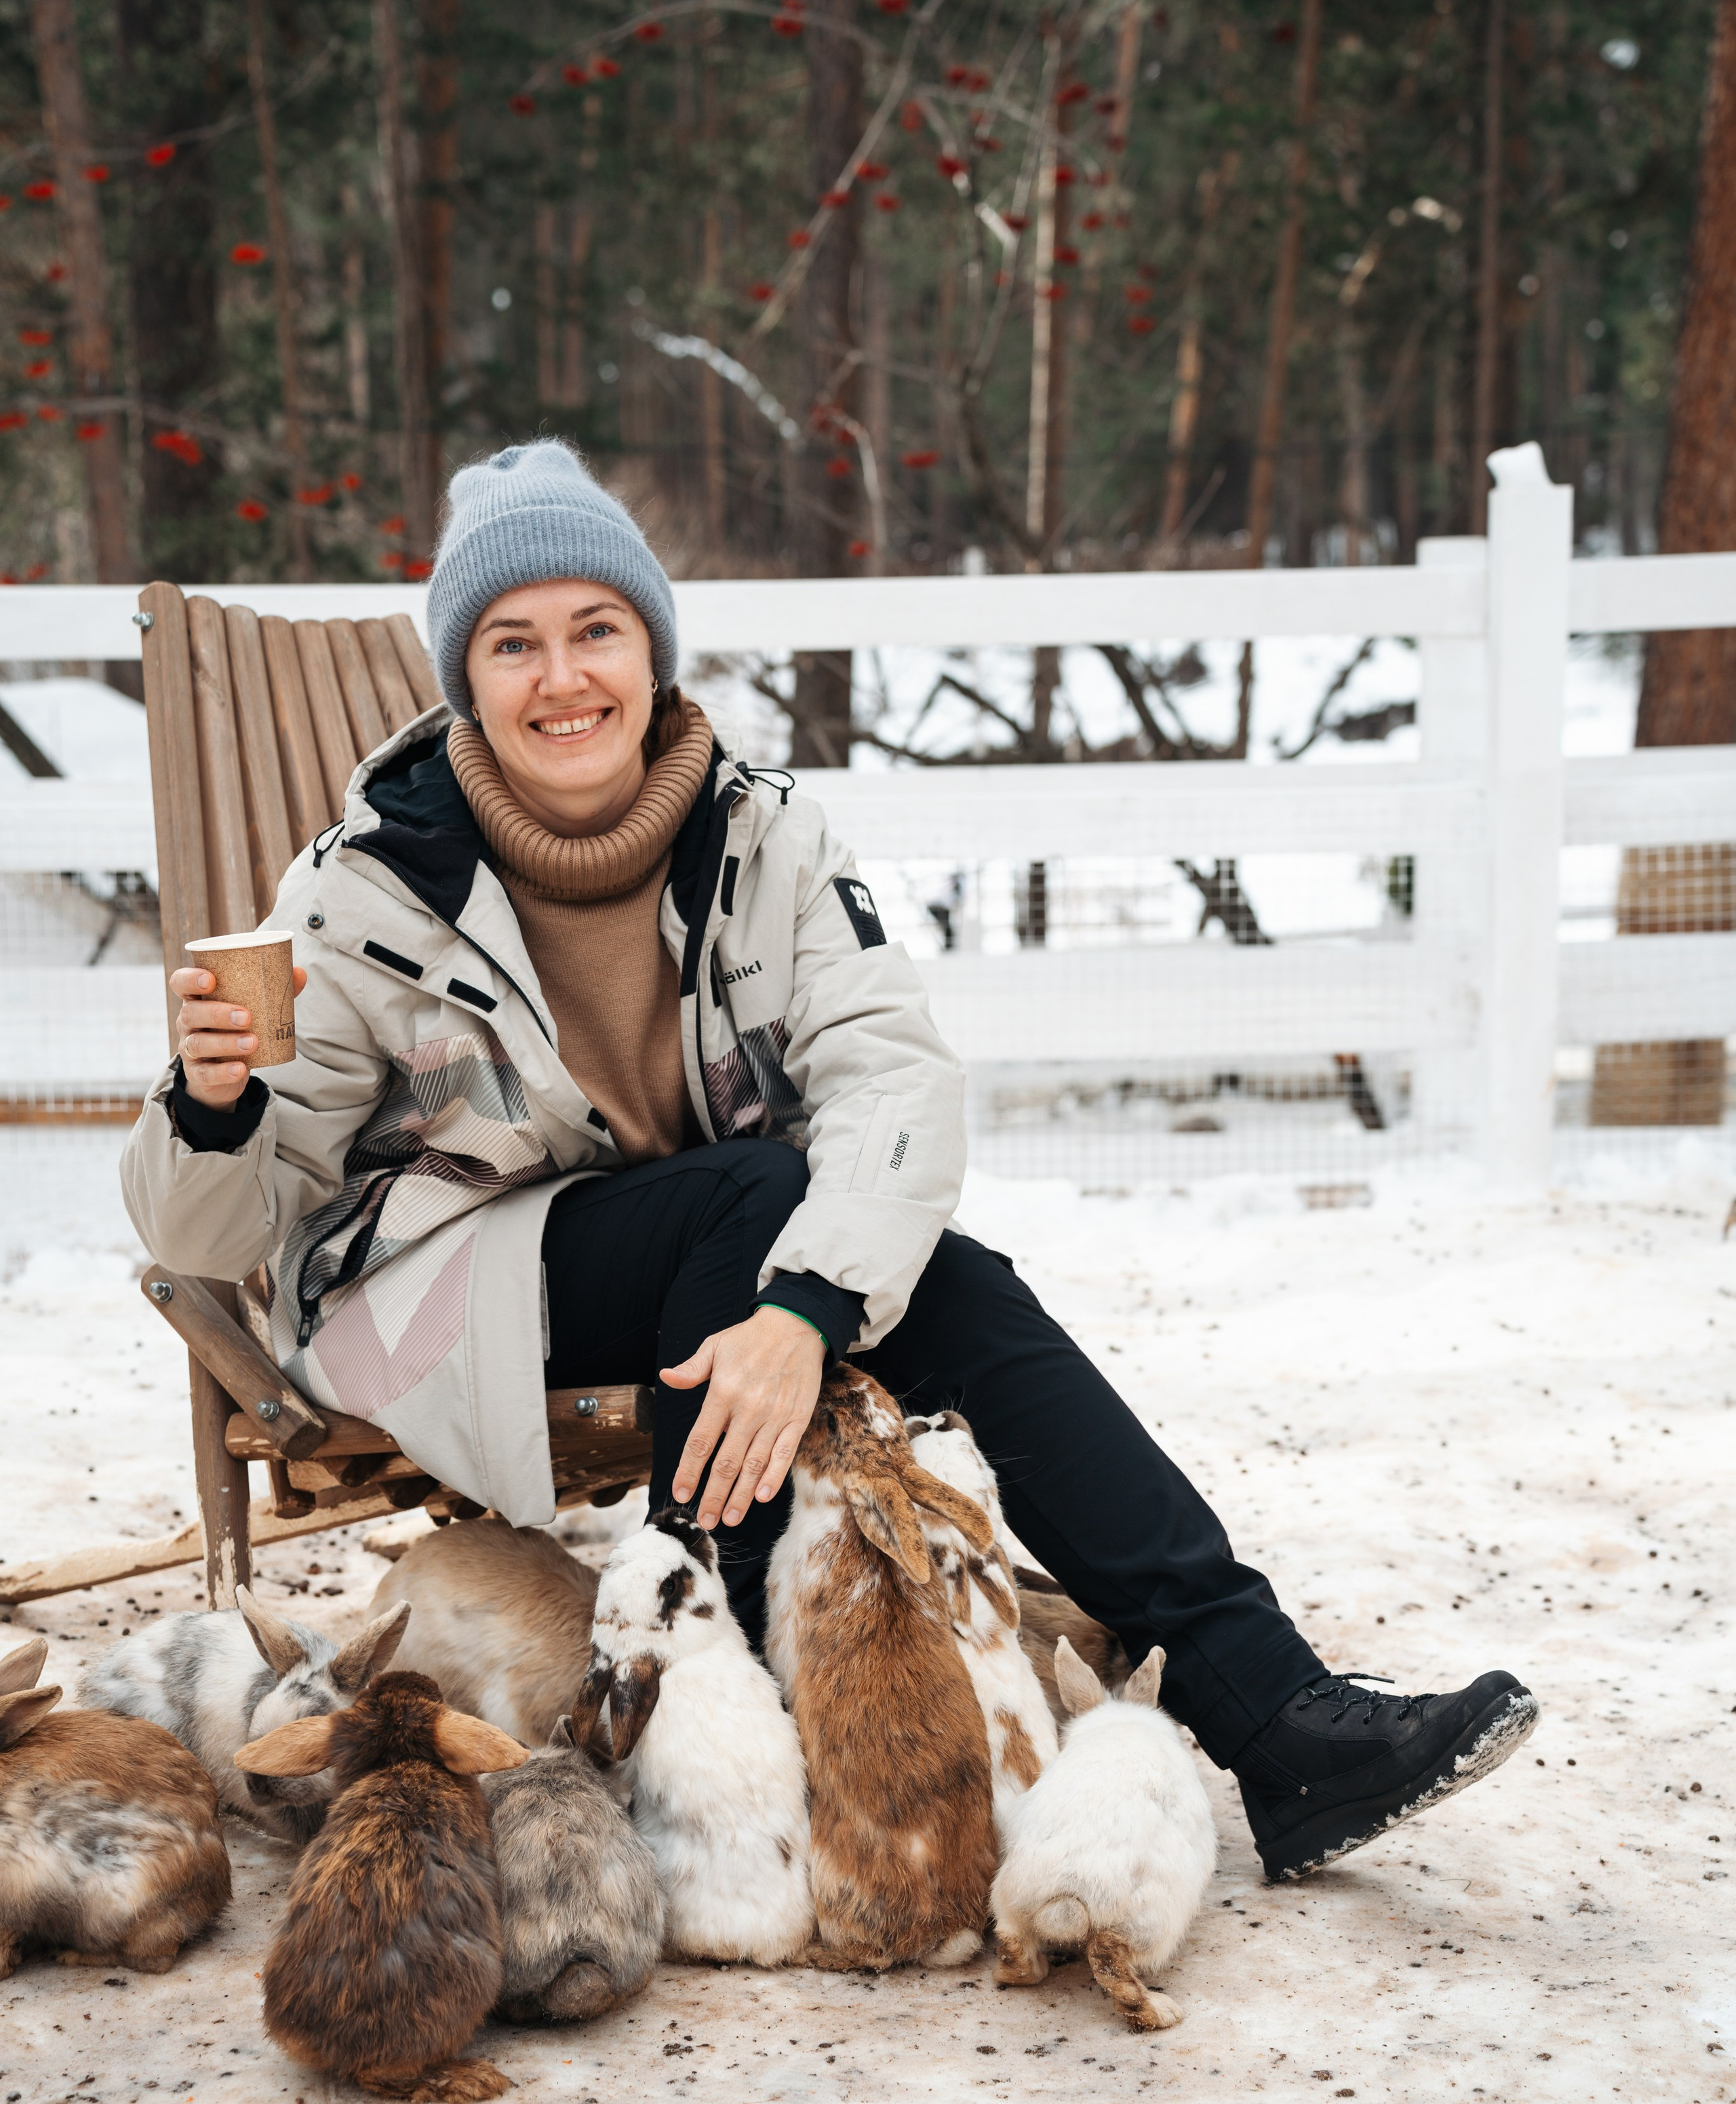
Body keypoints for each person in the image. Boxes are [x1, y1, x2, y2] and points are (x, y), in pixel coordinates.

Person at [121, 441, 1537, 1882]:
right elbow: (207, 1232)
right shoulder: (360, 889)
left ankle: (1276, 1717)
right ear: (464, 682)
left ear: (652, 652)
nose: (562, 678)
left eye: (596, 629)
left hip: (718, 1258)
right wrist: (216, 1106)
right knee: (758, 1196)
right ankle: (709, 1734)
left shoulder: (763, 836)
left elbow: (891, 1075)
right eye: (513, 643)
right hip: (433, 1300)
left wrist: (804, 1311)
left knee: (958, 1289)